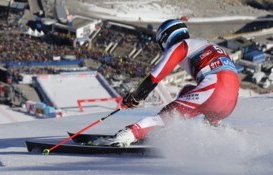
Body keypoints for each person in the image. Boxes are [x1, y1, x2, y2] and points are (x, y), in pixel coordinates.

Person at [93, 19, 240, 147]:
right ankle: (218, 134)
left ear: (165, 39)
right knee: (187, 90)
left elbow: (154, 77)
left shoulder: (181, 46)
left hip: (214, 90)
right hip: (230, 102)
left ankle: (127, 135)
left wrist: (136, 97)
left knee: (166, 116)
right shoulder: (205, 44)